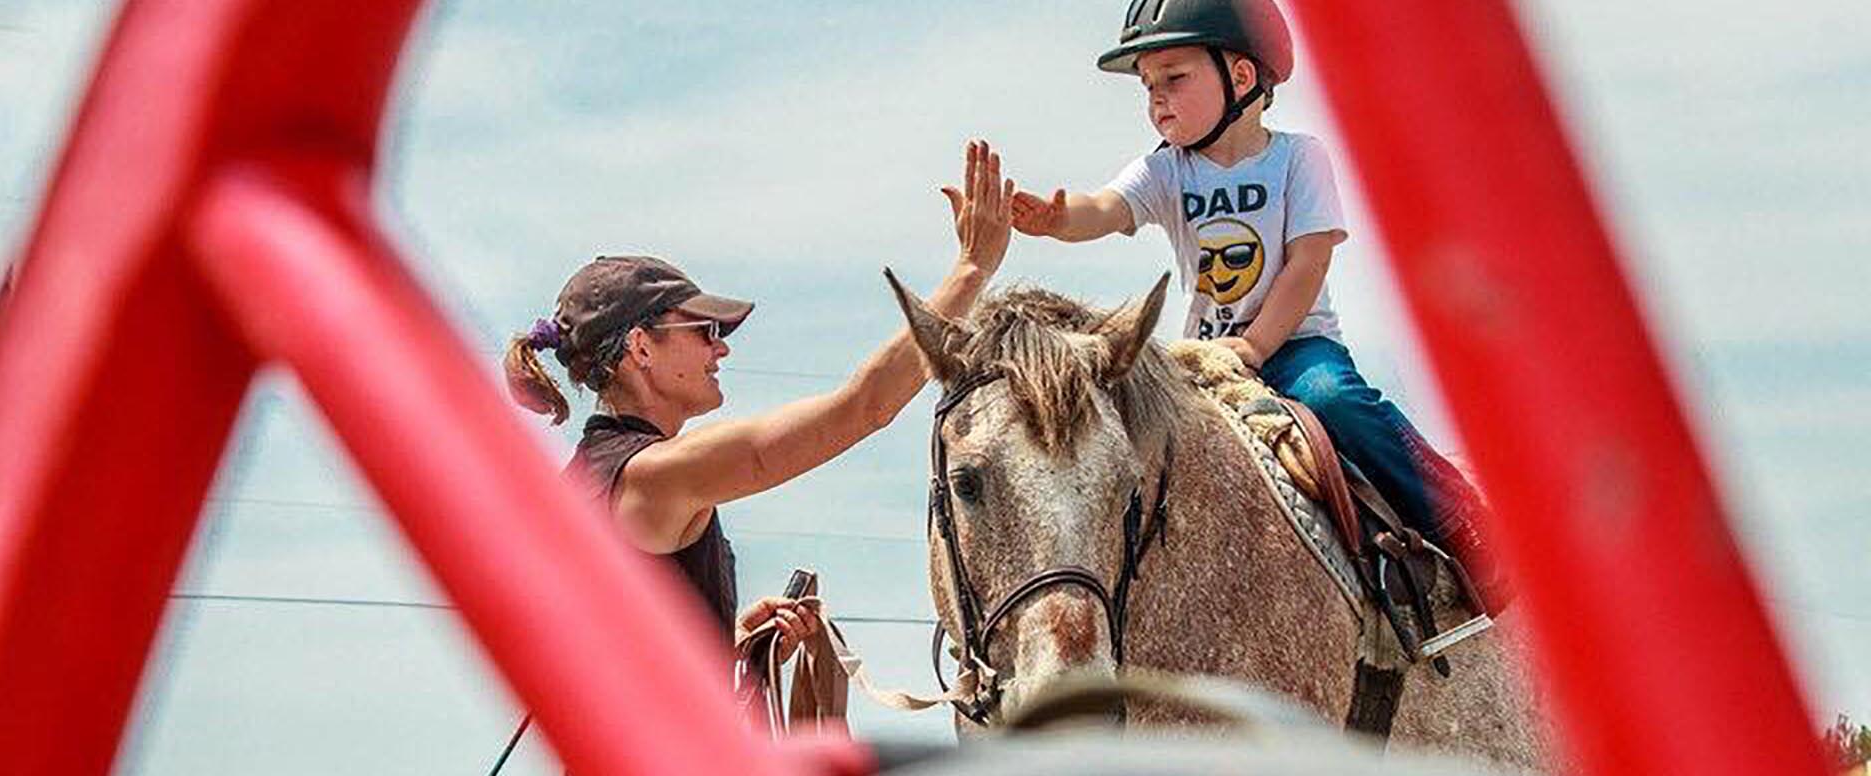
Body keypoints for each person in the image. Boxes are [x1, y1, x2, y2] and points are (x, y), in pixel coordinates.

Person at [997, 0, 1505, 603]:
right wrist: (1060, 219)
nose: (1157, 98)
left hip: (1293, 346)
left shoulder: (1299, 158)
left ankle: (1464, 523)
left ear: (1241, 78)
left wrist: (1258, 345)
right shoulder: (1167, 172)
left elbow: (1307, 263)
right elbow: (1106, 208)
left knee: (1335, 399)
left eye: (1175, 78)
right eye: (1148, 86)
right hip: (1208, 358)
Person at [502, 142, 1017, 656]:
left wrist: (732, 645)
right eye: (705, 329)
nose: (721, 347)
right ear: (640, 347)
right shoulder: (654, 475)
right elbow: (864, 407)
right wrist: (972, 268)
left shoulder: (596, 476)